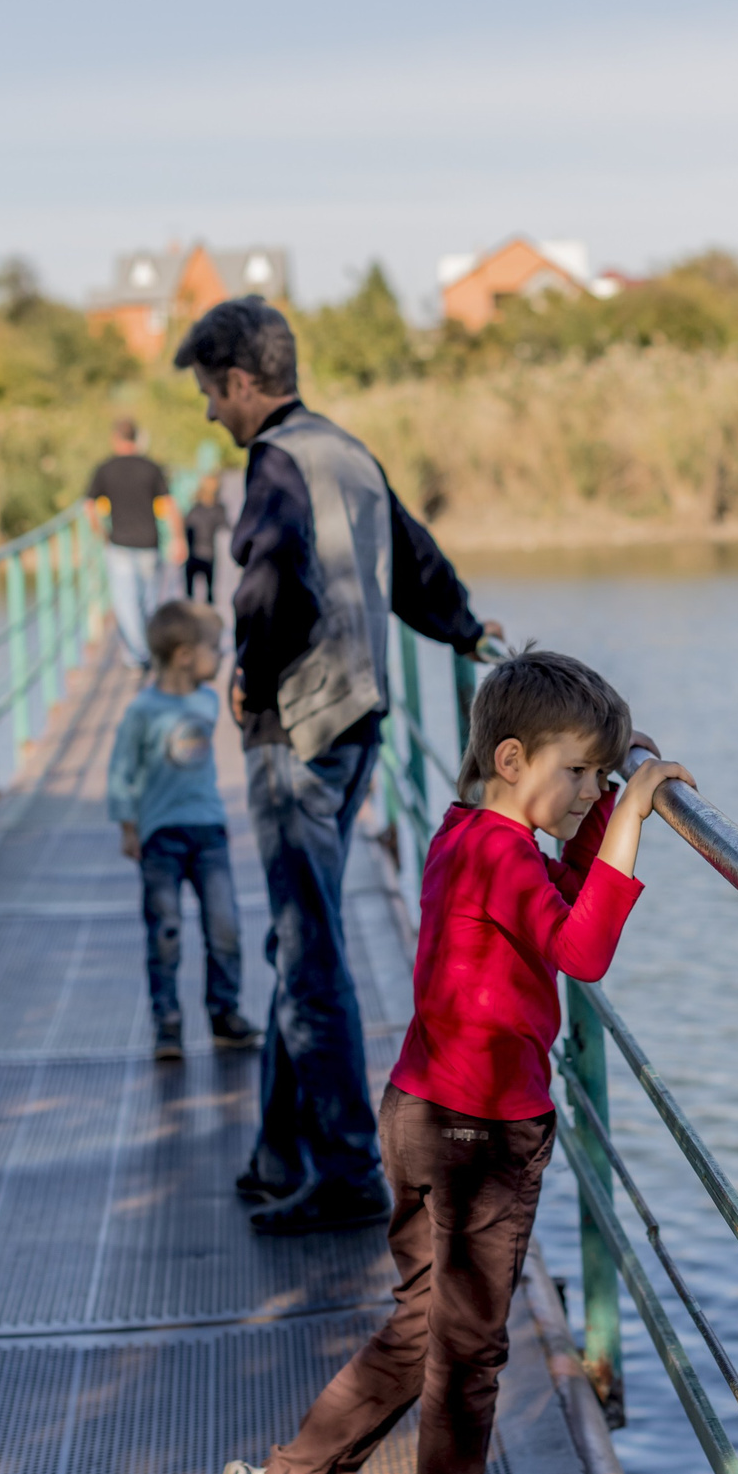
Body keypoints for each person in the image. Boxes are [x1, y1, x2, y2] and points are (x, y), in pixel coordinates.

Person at [221, 650, 692, 1474]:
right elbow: (582, 946)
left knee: (425, 1329)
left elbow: (554, 886)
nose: (586, 796)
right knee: (467, 1348)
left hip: (420, 1112)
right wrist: (635, 818)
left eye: (598, 783)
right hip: (483, 1136)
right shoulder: (502, 853)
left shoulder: (466, 834)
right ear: (514, 759)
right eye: (577, 777)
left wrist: (604, 797)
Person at [172, 296, 501, 1236]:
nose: (208, 413)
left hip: (302, 728)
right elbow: (412, 554)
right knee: (298, 929)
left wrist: (249, 674)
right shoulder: (344, 448)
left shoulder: (275, 461)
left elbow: (272, 581)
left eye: (208, 393)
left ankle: (349, 1168)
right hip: (362, 717)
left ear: (240, 381)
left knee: (309, 947)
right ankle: (282, 1148)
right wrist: (467, 628)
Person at [108, 601, 263, 1061]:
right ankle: (167, 1021)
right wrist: (128, 825)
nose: (220, 657)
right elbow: (121, 770)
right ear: (182, 655)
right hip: (161, 837)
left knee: (225, 926)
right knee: (166, 930)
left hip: (209, 831)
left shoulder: (209, 699)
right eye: (212, 650)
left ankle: (224, 1013)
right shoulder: (142, 710)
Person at [86, 419, 180, 671]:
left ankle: (139, 654)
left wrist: (101, 533)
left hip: (119, 545)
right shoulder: (151, 467)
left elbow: (89, 507)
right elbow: (170, 506)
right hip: (149, 543)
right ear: (136, 438)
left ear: (115, 439)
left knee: (126, 603)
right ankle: (148, 648)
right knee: (149, 602)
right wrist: (179, 539)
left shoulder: (104, 469)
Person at [182, 473, 228, 603]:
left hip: (201, 554)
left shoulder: (197, 508)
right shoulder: (216, 509)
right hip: (201, 554)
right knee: (199, 595)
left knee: (200, 595)